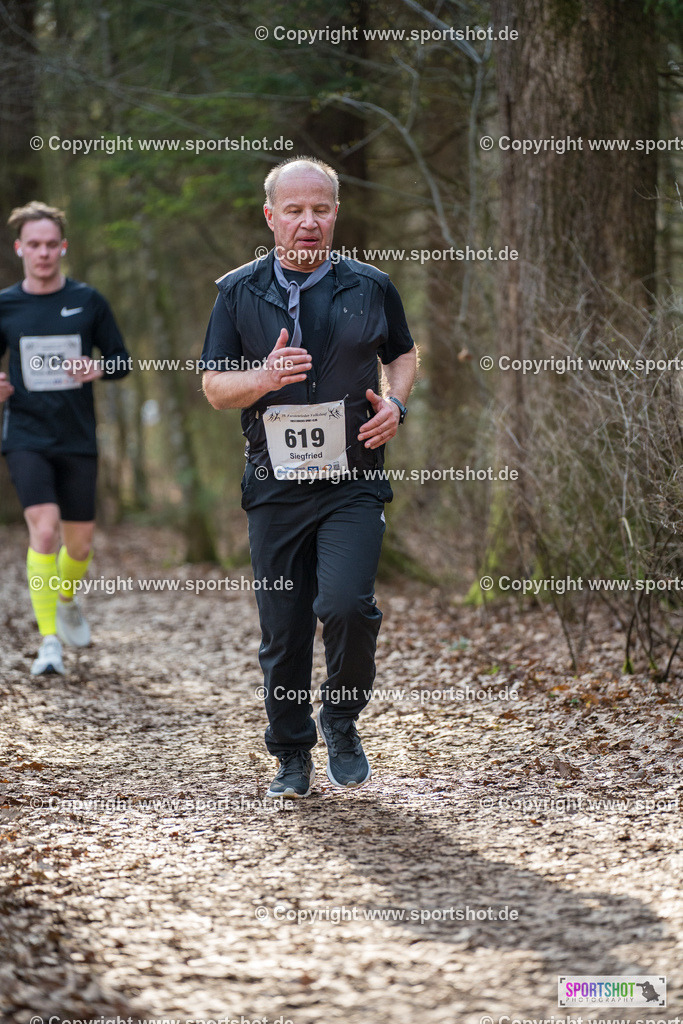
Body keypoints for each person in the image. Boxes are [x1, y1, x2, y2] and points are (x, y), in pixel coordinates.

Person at [201, 157, 417, 798]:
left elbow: (403, 353)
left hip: (353, 479)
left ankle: (342, 718)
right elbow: (214, 387)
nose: (308, 222)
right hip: (274, 484)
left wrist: (396, 403)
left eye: (320, 209)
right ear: (270, 217)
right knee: (285, 627)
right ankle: (292, 754)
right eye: (294, 211)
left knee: (347, 605)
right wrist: (263, 378)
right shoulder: (237, 292)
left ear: (335, 214)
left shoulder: (371, 286)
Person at [0, 201, 130, 676]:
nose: (43, 253)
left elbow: (121, 360)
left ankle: (67, 597)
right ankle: (49, 641)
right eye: (34, 244)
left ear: (63, 248)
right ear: (20, 248)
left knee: (78, 545)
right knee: (44, 529)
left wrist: (97, 367)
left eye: (51, 244)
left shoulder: (88, 300)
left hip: (77, 437)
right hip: (25, 434)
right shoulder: (5, 305)